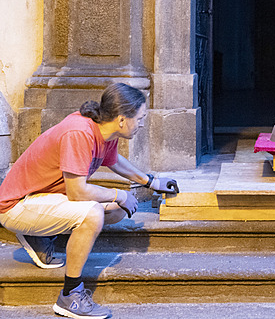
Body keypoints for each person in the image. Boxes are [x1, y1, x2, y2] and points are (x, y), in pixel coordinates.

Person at [0, 83, 180, 319]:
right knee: (94, 212)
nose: (143, 123)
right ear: (122, 119)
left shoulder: (107, 132)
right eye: (140, 117)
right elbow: (77, 192)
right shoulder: (79, 132)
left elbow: (115, 162)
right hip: (15, 207)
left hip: (41, 200)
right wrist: (119, 193)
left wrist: (151, 181)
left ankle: (40, 234)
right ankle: (70, 295)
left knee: (116, 211)